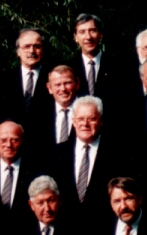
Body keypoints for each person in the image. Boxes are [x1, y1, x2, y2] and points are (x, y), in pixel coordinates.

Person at [50, 96, 138, 225]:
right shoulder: (57, 154)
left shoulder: (118, 154)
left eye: (91, 119)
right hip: (65, 228)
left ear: (101, 121)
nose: (85, 124)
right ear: (73, 121)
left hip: (104, 228)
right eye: (80, 119)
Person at [0, 121, 40, 224]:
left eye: (14, 140)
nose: (9, 145)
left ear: (22, 141)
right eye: (3, 140)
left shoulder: (35, 171)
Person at [73, 14, 124, 104]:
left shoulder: (119, 66)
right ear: (76, 37)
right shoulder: (69, 68)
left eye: (92, 30)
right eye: (82, 32)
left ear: (101, 34)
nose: (88, 37)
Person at [32, 65, 80, 152]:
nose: (63, 89)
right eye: (57, 84)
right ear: (49, 88)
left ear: (77, 83)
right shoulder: (39, 115)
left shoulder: (88, 111)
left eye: (67, 83)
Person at [7, 29, 51, 116]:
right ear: (18, 51)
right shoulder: (6, 78)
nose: (32, 51)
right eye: (27, 46)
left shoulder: (53, 77)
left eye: (37, 46)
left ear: (43, 50)